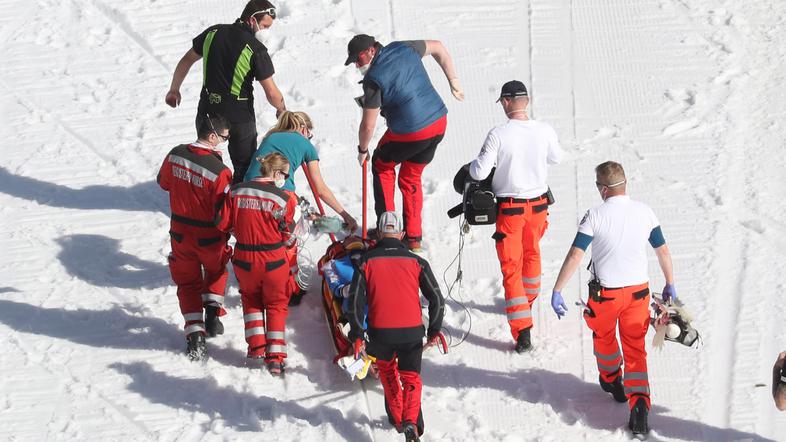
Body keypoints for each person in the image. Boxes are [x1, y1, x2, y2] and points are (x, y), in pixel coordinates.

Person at [549, 161, 676, 437]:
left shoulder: (594, 215)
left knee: (604, 338)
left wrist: (558, 289)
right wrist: (669, 283)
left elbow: (575, 255)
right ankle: (640, 403)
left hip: (605, 295)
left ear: (603, 189)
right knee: (635, 349)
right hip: (638, 295)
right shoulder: (645, 212)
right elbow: (663, 251)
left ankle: (611, 380)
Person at [345, 34, 464, 251]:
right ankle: (413, 237)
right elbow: (438, 46)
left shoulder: (373, 80)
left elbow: (368, 126)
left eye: (358, 59)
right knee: (410, 175)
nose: (356, 65)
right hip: (438, 123)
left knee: (381, 164)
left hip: (412, 130)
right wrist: (453, 81)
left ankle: (387, 233)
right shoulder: (403, 47)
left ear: (371, 51)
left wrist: (362, 149)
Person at [469, 80, 563, 353]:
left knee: (512, 267)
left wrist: (479, 164)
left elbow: (478, 172)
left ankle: (523, 331)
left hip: (511, 210)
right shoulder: (544, 130)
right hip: (539, 208)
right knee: (532, 254)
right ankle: (528, 299)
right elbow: (557, 157)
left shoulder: (499, 134)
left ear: (507, 102)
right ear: (528, 101)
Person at [346, 211, 444, 441]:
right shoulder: (418, 262)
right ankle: (411, 422)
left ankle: (399, 420)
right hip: (411, 332)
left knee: (389, 373)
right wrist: (434, 330)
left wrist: (357, 334)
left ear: (379, 234)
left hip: (380, 333)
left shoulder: (366, 262)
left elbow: (355, 302)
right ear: (401, 234)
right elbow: (437, 299)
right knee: (411, 377)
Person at [165, 0, 286, 184]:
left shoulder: (213, 33)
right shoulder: (256, 49)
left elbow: (187, 60)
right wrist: (282, 108)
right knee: (243, 168)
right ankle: (235, 206)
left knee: (206, 165)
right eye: (265, 26)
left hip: (208, 111)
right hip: (240, 117)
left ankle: (204, 203)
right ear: (252, 20)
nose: (266, 31)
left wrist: (174, 89)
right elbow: (272, 92)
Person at [244, 111, 358, 305]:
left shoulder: (271, 137)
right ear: (304, 129)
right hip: (279, 195)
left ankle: (257, 280)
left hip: (248, 192)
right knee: (288, 241)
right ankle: (291, 289)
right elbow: (320, 189)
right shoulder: (306, 145)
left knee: (261, 237)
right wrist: (345, 215)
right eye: (309, 134)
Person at [157, 114, 234, 361]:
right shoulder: (220, 172)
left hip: (180, 234)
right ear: (212, 137)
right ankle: (212, 314)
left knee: (187, 283)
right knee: (217, 270)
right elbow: (224, 213)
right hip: (210, 236)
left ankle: (195, 334)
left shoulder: (175, 154)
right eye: (224, 138)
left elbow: (163, 182)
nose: (224, 142)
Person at [215, 152, 296, 375]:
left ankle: (256, 347)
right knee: (276, 304)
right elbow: (285, 231)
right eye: (285, 175)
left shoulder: (236, 191)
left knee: (250, 299)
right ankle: (276, 357)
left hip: (244, 259)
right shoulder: (283, 199)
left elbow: (223, 223)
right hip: (272, 260)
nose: (285, 179)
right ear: (277, 173)